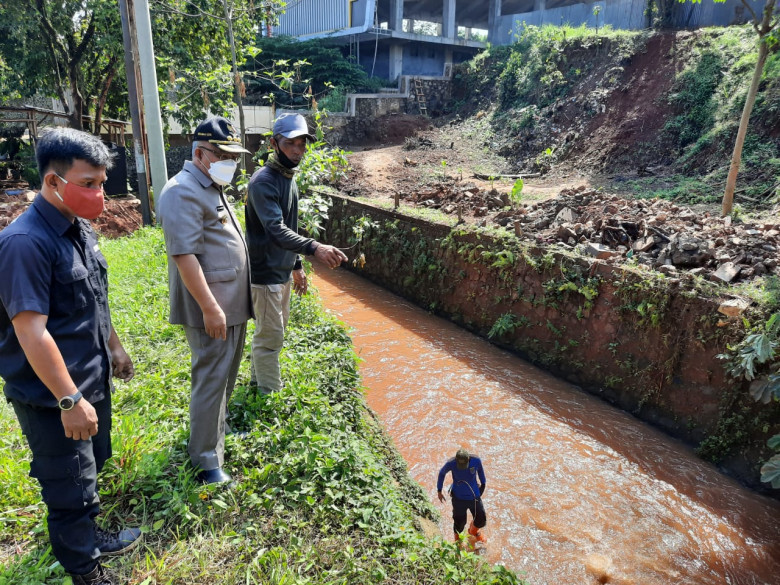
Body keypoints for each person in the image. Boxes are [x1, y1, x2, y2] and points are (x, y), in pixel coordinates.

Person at [0, 128, 140, 585]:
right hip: (53, 398)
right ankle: (85, 572)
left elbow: (94, 298)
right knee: (69, 491)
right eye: (88, 183)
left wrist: (114, 347)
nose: (98, 193)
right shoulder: (25, 243)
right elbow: (31, 331)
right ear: (53, 181)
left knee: (93, 467)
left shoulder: (78, 229)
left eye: (102, 182)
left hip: (91, 381)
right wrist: (68, 400)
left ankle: (92, 537)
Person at [157, 117, 252, 486]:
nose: (231, 162)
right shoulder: (182, 190)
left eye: (233, 155)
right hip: (212, 307)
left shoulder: (210, 184)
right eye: (224, 154)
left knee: (225, 376)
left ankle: (216, 439)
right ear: (200, 153)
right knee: (211, 378)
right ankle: (205, 460)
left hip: (230, 303)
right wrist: (211, 307)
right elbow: (185, 256)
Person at [245, 113, 347, 393]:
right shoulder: (264, 181)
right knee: (270, 337)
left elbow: (291, 224)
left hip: (282, 270)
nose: (297, 150)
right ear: (274, 144)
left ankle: (258, 380)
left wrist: (297, 264)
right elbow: (276, 230)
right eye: (290, 143)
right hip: (264, 272)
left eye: (302, 144)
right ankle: (268, 394)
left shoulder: (288, 177)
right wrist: (315, 247)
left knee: (273, 332)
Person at [437, 448, 487, 545]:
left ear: (468, 459)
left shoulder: (476, 460)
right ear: (456, 460)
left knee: (481, 520)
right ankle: (458, 542)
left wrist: (483, 485)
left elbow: (480, 471)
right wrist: (439, 490)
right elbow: (442, 473)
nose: (462, 467)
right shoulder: (451, 463)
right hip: (458, 497)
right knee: (459, 523)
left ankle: (473, 531)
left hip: (473, 496)